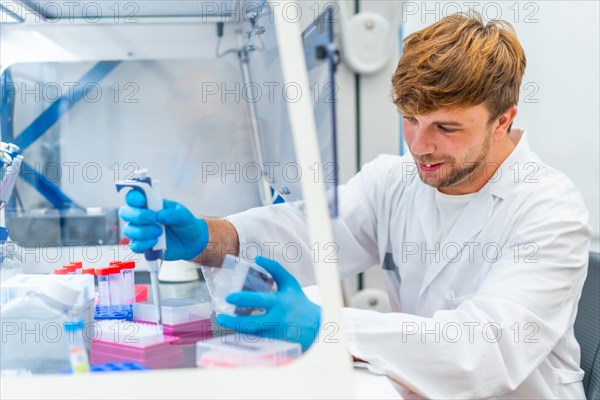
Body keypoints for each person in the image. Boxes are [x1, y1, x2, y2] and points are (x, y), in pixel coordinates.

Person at [119, 13, 591, 398]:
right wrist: (209, 237)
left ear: (502, 121)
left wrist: (327, 326)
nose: (419, 147)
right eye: (410, 119)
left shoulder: (550, 211)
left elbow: (480, 352)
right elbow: (310, 232)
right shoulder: (395, 179)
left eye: (446, 129)